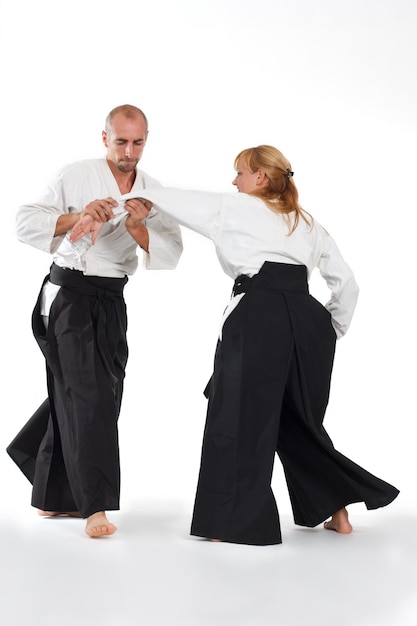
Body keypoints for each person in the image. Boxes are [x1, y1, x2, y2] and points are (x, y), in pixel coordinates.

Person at [71, 144, 399, 546]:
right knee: (300, 421)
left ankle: (231, 523)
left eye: (240, 173)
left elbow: (175, 200)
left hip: (259, 313)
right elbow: (346, 284)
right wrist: (330, 328)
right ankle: (338, 512)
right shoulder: (307, 221)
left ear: (261, 177)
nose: (234, 180)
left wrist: (118, 201)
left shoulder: (234, 208)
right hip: (309, 321)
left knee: (238, 415)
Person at [7, 104, 183, 538]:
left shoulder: (153, 191)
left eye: (137, 142)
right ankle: (94, 507)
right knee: (88, 397)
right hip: (69, 290)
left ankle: (53, 493)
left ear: (147, 140)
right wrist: (80, 216)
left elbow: (171, 252)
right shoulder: (76, 174)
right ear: (105, 138)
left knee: (93, 393)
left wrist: (141, 228)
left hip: (111, 299)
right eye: (121, 141)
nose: (129, 150)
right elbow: (24, 222)